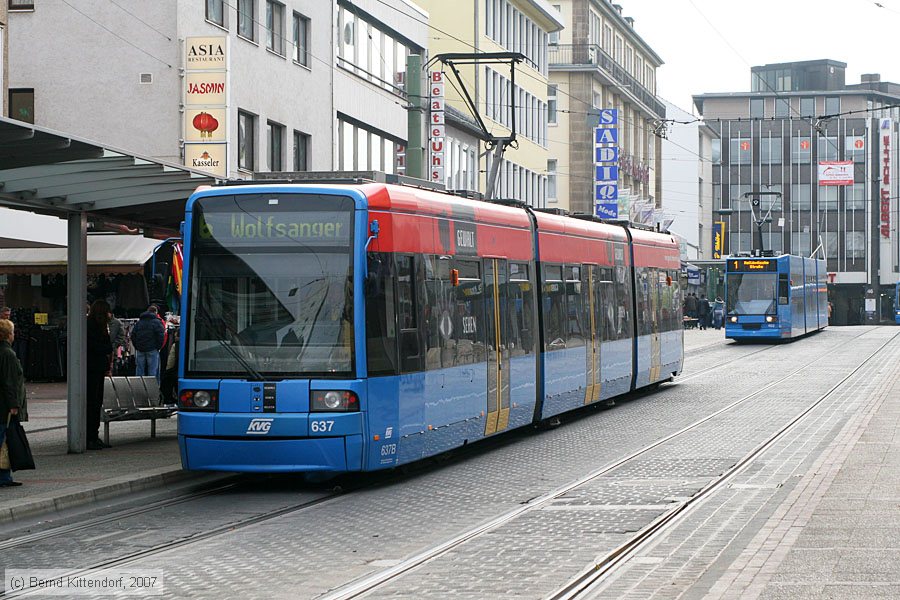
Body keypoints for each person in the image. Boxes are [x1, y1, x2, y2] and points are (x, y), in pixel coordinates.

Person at [0, 319, 27, 486]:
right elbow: (8, 381)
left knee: (4, 441)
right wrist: (14, 404)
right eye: (12, 332)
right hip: (3, 406)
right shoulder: (8, 354)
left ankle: (4, 476)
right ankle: (3, 477)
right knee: (3, 438)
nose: (14, 335)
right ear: (7, 335)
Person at [86, 300, 113, 450]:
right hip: (94, 368)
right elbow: (106, 347)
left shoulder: (92, 325)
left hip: (94, 368)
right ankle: (91, 436)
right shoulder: (96, 327)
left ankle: (92, 435)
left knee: (95, 403)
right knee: (94, 403)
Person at [131, 305, 165, 378]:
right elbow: (161, 336)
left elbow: (133, 335)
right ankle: (153, 388)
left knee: (139, 371)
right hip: (152, 349)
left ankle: (139, 388)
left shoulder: (139, 322)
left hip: (140, 349)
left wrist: (137, 346)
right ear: (156, 312)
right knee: (153, 371)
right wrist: (158, 347)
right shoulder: (157, 322)